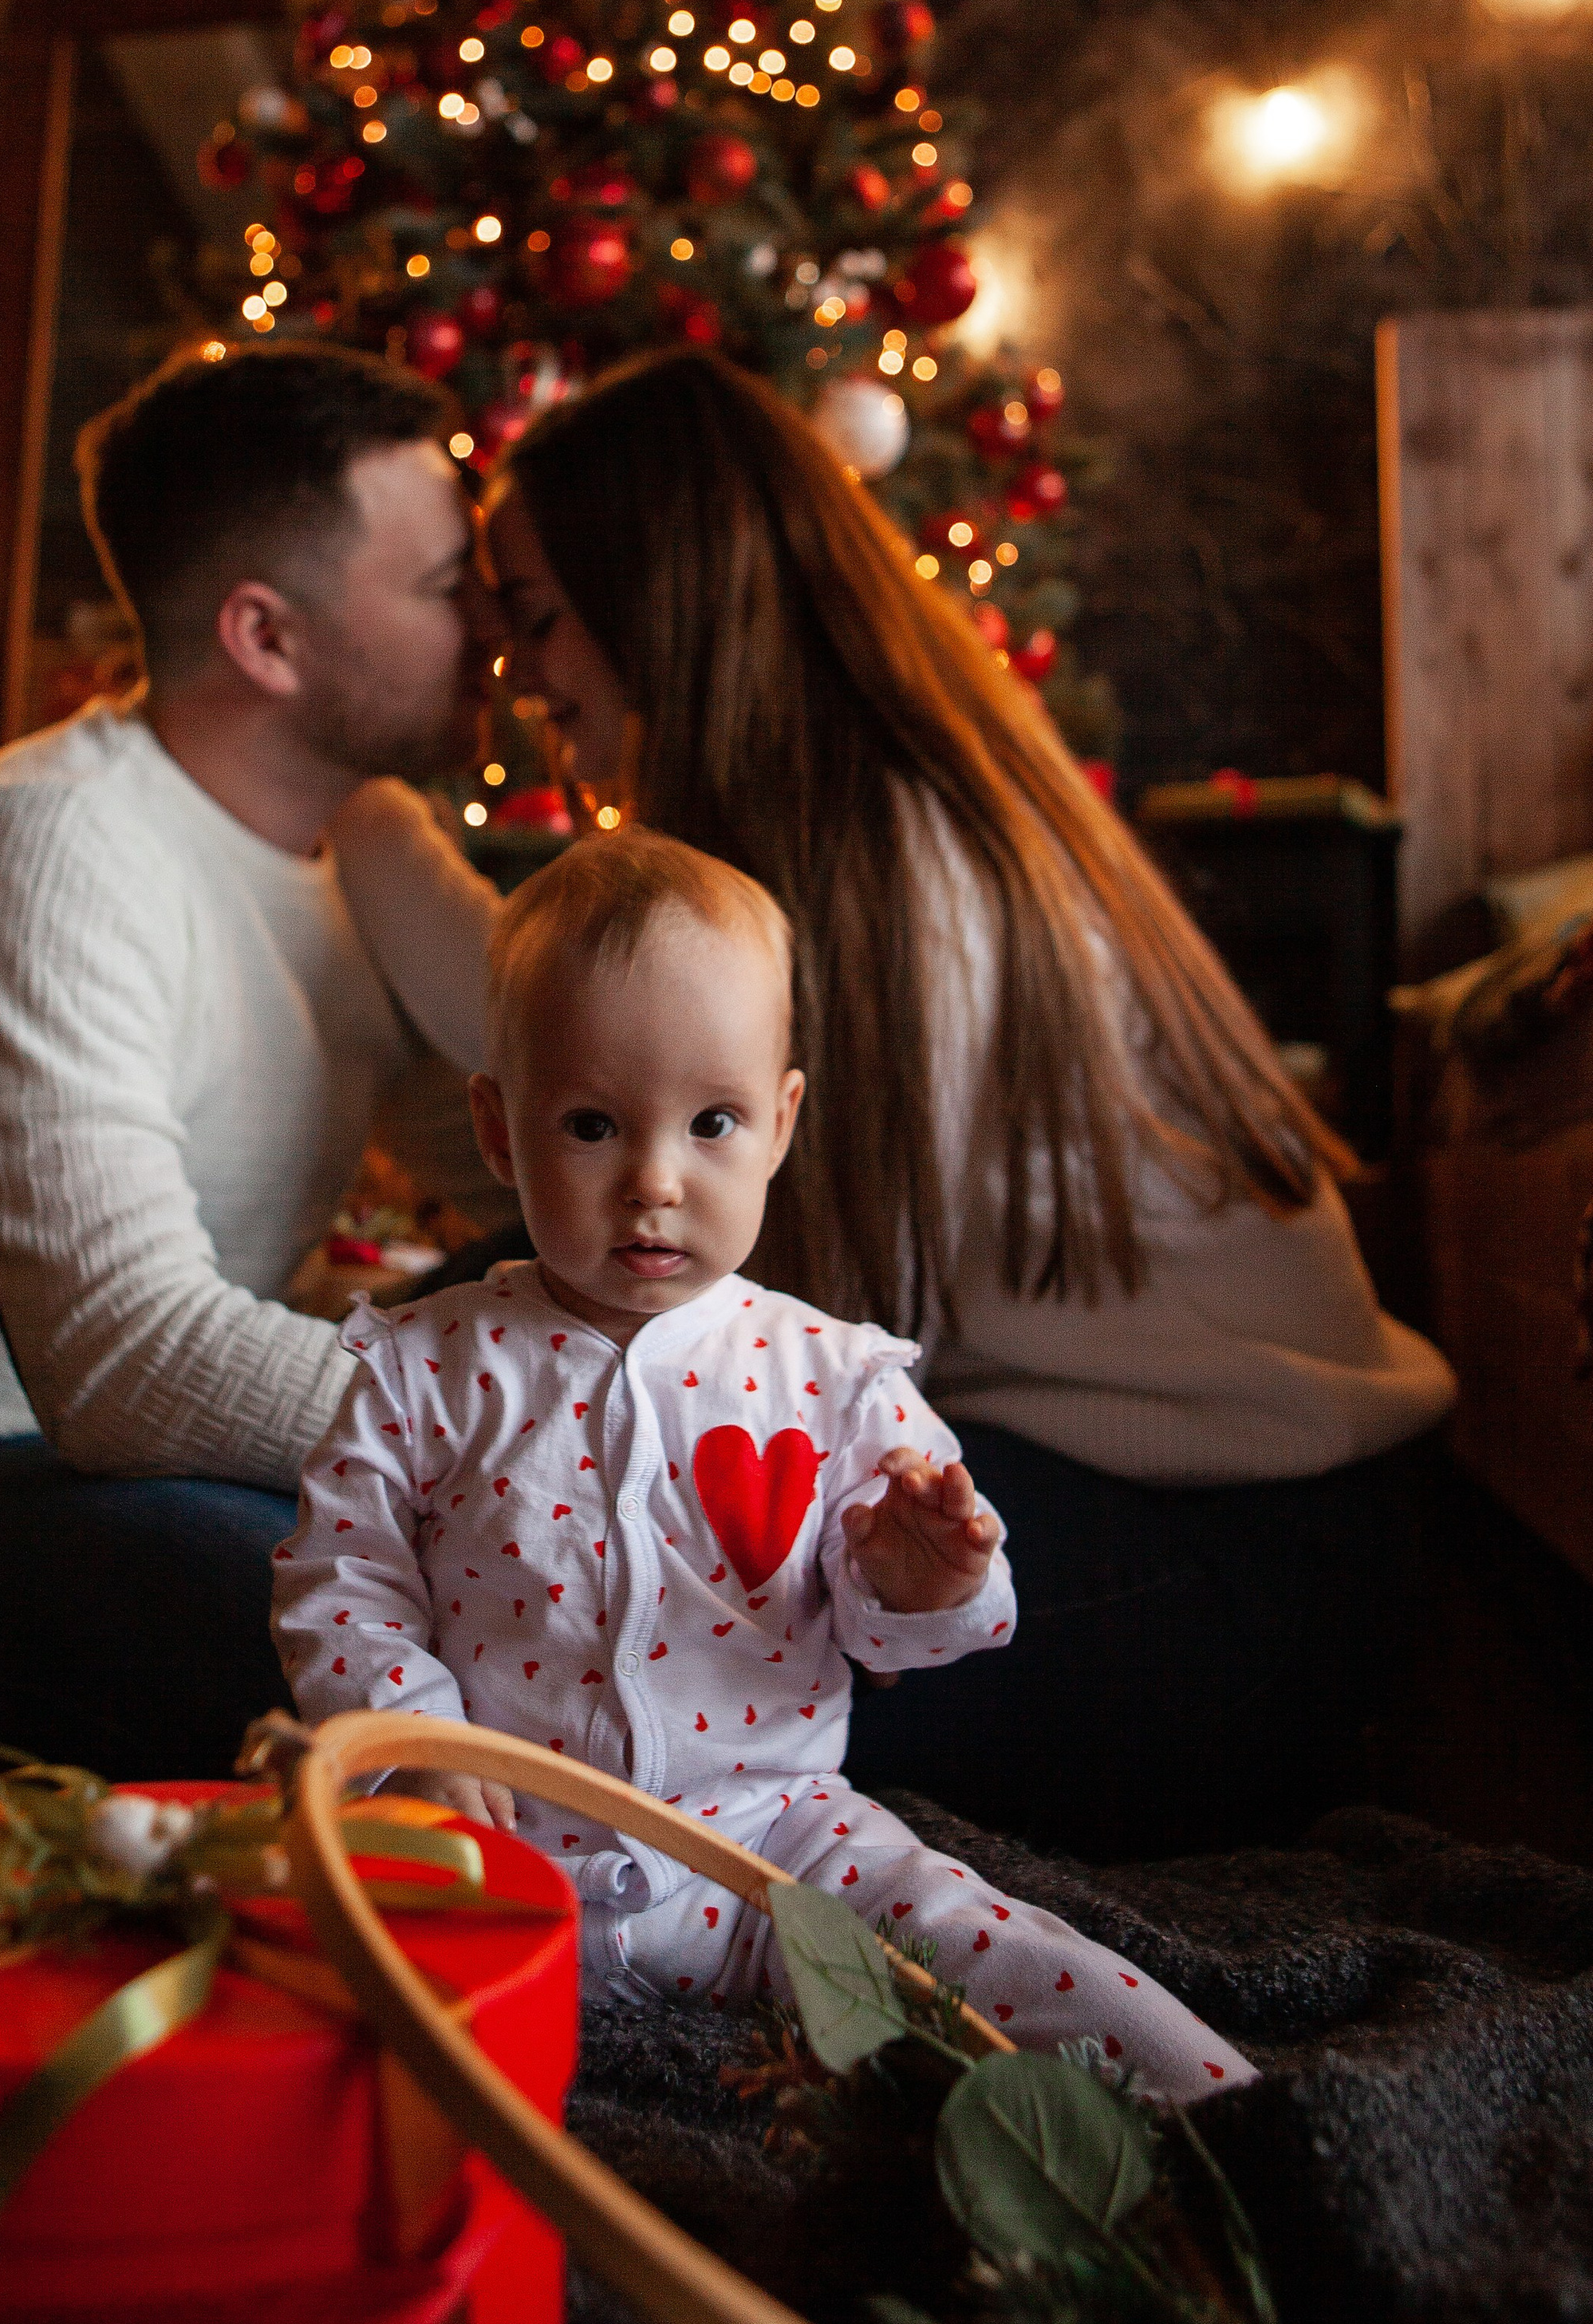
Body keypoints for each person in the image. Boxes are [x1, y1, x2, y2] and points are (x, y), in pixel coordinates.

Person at [478, 348, 1454, 1860]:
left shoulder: (885, 860)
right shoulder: (857, 815)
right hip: (1167, 1503)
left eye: (536, 615)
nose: (518, 671)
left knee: (595, 1676)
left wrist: (368, 835)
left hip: (1242, 1559)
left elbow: (780, 1344)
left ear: (656, 594)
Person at [273, 831, 1256, 2097]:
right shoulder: (423, 1364)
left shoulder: (834, 1378)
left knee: (969, 1939)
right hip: (500, 1849)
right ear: (499, 1130)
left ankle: (1228, 2113)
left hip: (769, 1842)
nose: (656, 1181)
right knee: (302, 1982)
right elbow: (342, 1580)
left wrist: (923, 1581)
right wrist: (414, 1737)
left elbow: (909, 1636)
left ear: (780, 1124)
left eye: (713, 1123)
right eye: (592, 1126)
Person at [0, 341, 499, 1779]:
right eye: (443, 586)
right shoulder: (54, 846)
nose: (489, 622)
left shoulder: (355, 860)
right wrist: (529, 1446)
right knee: (431, 1657)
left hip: (137, 1461)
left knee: (531, 1553)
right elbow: (124, 1360)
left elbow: (531, 1187)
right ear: (267, 637)